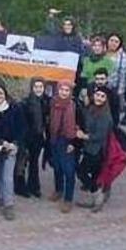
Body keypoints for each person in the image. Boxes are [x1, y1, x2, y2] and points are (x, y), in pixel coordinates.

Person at [0, 84, 23, 220]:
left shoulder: (14, 109)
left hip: (11, 148)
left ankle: (9, 205)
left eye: (0, 93)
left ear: (5, 94)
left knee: (7, 177)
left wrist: (14, 144)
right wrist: (0, 142)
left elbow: (20, 128)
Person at [75, 87, 114, 211]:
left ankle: (98, 195)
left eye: (102, 96)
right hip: (89, 148)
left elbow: (100, 135)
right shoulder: (91, 108)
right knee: (94, 176)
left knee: (82, 172)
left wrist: (84, 136)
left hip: (97, 150)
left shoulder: (105, 115)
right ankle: (96, 200)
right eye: (98, 95)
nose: (99, 98)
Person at [48, 80, 78, 213]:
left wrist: (72, 142)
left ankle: (68, 199)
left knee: (69, 170)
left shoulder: (73, 106)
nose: (64, 92)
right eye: (62, 90)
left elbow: (78, 124)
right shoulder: (54, 103)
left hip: (68, 140)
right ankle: (59, 189)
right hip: (55, 138)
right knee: (57, 166)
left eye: (67, 90)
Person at [17, 77, 49, 198]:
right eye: (36, 87)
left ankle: (34, 186)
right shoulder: (25, 102)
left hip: (38, 137)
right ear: (32, 88)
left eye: (41, 87)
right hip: (26, 137)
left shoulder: (46, 101)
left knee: (34, 163)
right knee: (22, 162)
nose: (38, 89)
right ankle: (20, 186)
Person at [105, 33, 126, 118]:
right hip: (100, 85)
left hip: (114, 88)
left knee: (113, 112)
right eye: (111, 40)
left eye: (116, 41)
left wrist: (120, 92)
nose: (113, 43)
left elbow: (123, 75)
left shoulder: (123, 56)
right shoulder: (102, 52)